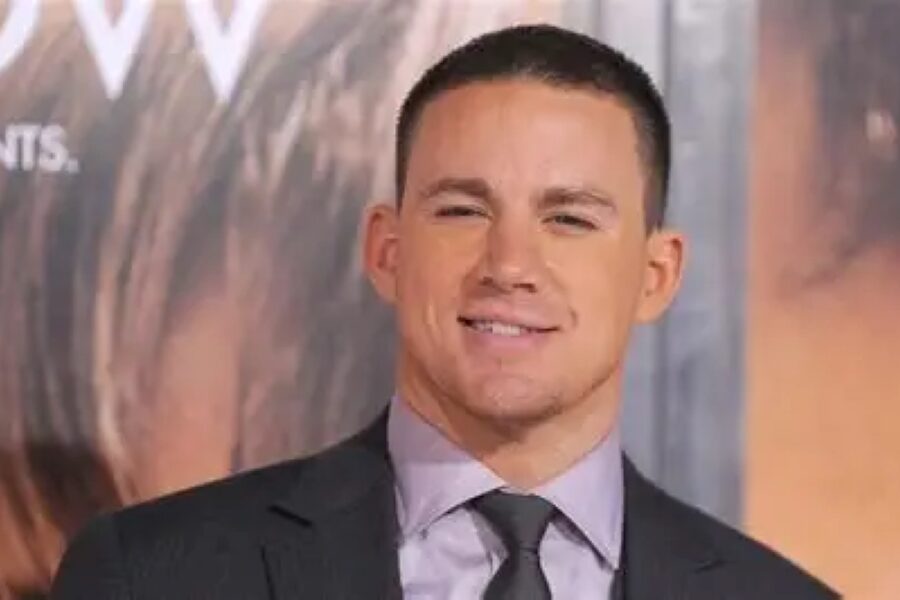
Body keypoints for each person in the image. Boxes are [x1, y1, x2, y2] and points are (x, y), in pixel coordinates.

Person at [50, 24, 838, 599]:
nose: (510, 266)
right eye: (463, 210)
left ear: (656, 276)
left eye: (568, 218)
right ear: (387, 251)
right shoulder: (153, 576)